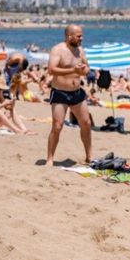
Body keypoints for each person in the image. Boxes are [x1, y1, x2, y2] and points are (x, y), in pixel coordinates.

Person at [46, 24, 93, 166]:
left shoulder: (80, 50)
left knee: (86, 123)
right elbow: (51, 70)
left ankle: (89, 156)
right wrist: (73, 70)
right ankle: (50, 159)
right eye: (79, 36)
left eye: (82, 35)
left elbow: (87, 67)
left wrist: (83, 71)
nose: (82, 38)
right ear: (69, 36)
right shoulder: (58, 50)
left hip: (77, 92)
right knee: (57, 126)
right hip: (60, 92)